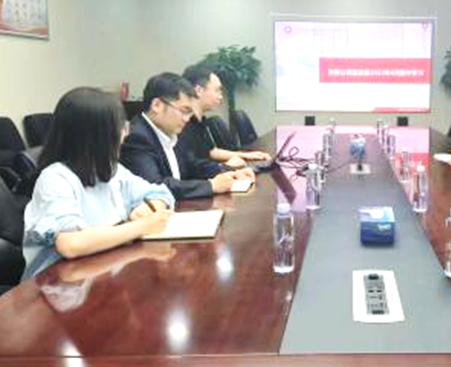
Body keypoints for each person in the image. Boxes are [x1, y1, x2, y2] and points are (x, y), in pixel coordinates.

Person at [23, 87, 175, 276]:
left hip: (102, 272)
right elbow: (71, 244)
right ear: (97, 135)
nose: (125, 133)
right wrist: (140, 227)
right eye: (121, 126)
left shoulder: (112, 170)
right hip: (55, 284)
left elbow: (160, 193)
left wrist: (147, 208)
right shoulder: (56, 178)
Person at [120, 73, 255, 200]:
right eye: (184, 111)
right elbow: (156, 185)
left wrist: (228, 171)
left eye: (190, 113)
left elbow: (192, 165)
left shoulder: (169, 130)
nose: (187, 119)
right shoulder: (136, 137)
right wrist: (211, 185)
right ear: (157, 105)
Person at [179, 65, 271, 169]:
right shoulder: (182, 125)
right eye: (217, 90)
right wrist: (225, 167)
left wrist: (246, 155)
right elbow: (190, 167)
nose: (221, 96)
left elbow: (210, 152)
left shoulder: (199, 121)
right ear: (199, 91)